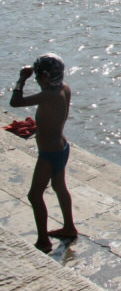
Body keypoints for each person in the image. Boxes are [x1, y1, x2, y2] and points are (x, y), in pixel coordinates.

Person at [10, 54, 77, 252]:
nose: (37, 80)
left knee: (34, 195)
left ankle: (43, 241)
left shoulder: (49, 95)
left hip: (49, 153)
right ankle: (69, 227)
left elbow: (15, 102)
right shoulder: (64, 89)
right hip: (61, 147)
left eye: (38, 77)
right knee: (59, 186)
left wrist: (22, 79)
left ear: (46, 76)